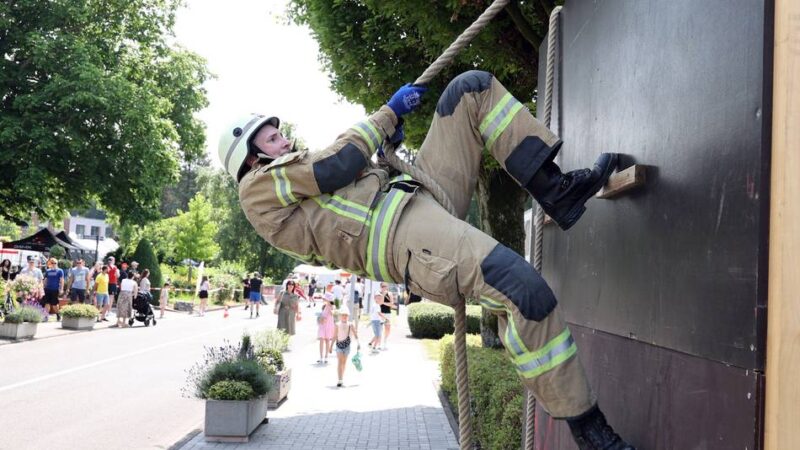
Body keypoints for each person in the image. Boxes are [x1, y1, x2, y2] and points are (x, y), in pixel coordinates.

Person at [220, 71, 632, 448]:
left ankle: (555, 189)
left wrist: (388, 149)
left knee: (469, 90)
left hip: (419, 193)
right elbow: (337, 165)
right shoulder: (257, 189)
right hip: (406, 239)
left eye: (281, 135)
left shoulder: (290, 178)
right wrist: (387, 114)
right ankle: (592, 433)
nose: (286, 141)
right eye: (273, 140)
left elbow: (350, 180)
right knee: (524, 291)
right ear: (252, 159)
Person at [332, 305, 358, 388]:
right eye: (343, 315)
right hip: (339, 345)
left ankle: (341, 378)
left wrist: (358, 343)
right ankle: (340, 380)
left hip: (347, 346)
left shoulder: (351, 324)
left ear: (348, 316)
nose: (344, 317)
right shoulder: (337, 324)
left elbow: (355, 334)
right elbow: (334, 336)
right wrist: (330, 346)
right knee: (340, 361)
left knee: (344, 362)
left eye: (346, 315)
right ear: (340, 316)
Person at [317, 293, 335, 364]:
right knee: (321, 339)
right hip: (322, 325)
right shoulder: (324, 306)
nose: (324, 299)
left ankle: (326, 357)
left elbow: (332, 313)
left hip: (328, 325)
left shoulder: (332, 306)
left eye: (325, 298)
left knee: (327, 340)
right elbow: (322, 314)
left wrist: (330, 305)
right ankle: (321, 357)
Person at [378, 283, 395, 350]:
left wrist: (384, 303)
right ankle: (379, 344)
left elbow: (391, 304)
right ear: (380, 287)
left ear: (387, 287)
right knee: (380, 329)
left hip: (387, 313)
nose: (384, 287)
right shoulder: (378, 293)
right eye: (382, 286)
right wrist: (383, 295)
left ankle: (385, 341)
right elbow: (379, 303)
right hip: (380, 313)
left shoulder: (390, 294)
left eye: (385, 286)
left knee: (388, 329)